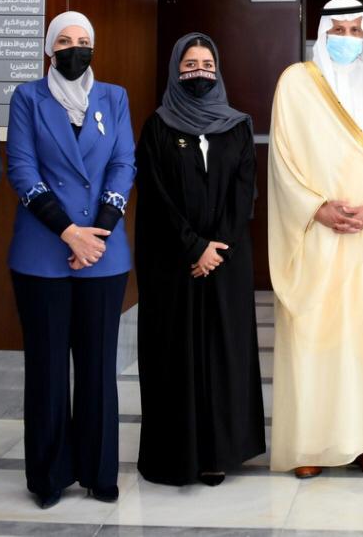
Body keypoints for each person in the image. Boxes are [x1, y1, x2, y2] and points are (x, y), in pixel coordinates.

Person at [267, 0, 363, 478]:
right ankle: (311, 443)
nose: (348, 39)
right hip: (317, 233)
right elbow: (282, 160)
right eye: (340, 29)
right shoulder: (296, 83)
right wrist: (318, 208)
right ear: (323, 32)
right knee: (315, 336)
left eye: (357, 30)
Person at [5, 12, 135, 508]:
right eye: (64, 40)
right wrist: (69, 233)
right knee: (47, 368)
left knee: (99, 368)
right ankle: (49, 476)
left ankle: (100, 472)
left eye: (83, 40)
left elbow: (124, 163)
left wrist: (96, 233)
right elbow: (21, 168)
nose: (75, 48)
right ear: (49, 49)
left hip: (103, 250)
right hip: (43, 252)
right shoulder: (27, 98)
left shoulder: (114, 97)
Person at [135, 33, 265, 485]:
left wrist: (216, 247)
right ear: (176, 70)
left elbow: (244, 193)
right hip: (174, 261)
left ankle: (219, 452)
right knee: (176, 355)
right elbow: (156, 196)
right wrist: (194, 247)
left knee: (223, 354)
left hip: (226, 261)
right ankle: (178, 453)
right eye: (189, 64)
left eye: (207, 64)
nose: (199, 72)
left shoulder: (238, 125)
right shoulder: (157, 126)